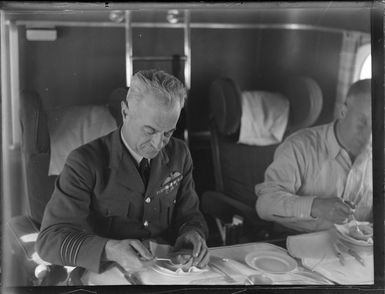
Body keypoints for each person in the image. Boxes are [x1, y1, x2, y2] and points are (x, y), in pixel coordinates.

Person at [36, 69, 209, 274]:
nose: (158, 144)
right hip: (106, 273)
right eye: (150, 130)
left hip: (166, 272)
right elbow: (49, 241)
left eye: (168, 132)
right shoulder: (85, 162)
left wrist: (192, 232)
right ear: (125, 113)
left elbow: (190, 215)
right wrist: (109, 249)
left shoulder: (180, 154)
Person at [255, 79, 372, 233]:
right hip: (298, 244)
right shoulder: (299, 146)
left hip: (356, 251)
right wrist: (316, 206)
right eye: (362, 122)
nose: (369, 136)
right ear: (343, 112)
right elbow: (265, 204)